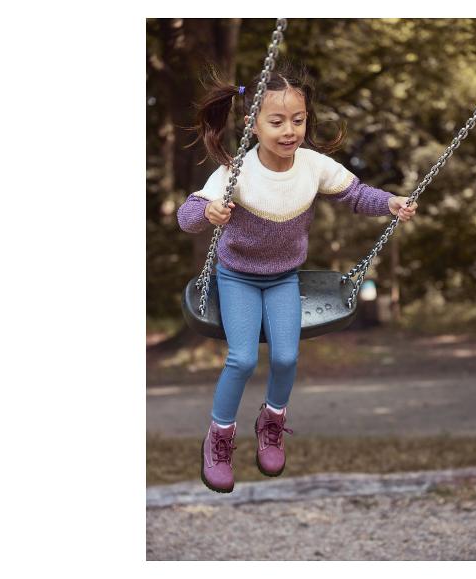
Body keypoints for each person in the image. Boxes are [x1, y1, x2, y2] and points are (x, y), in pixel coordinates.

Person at [177, 61, 418, 494]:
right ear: (253, 125)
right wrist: (209, 212)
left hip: (286, 279)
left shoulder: (312, 166)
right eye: (276, 121)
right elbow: (188, 214)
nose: (289, 130)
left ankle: (272, 423)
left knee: (286, 358)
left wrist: (390, 203)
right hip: (238, 279)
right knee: (243, 359)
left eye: (298, 119)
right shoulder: (238, 171)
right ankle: (219, 437)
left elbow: (357, 194)